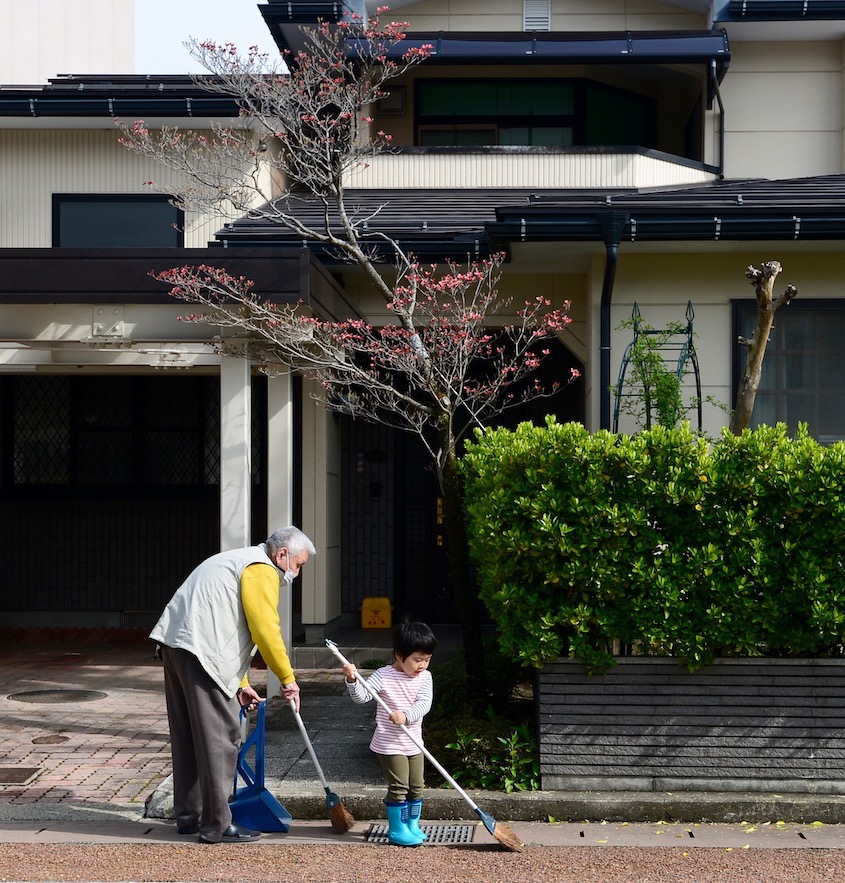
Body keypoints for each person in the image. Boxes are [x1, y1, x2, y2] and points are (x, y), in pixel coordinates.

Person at [150, 525, 316, 844]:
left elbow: (225, 620)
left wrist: (240, 683)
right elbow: (264, 628)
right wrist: (288, 678)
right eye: (298, 565)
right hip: (202, 654)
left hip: (177, 647)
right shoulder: (261, 569)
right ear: (282, 554)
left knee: (188, 735)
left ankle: (189, 816)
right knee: (221, 738)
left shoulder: (235, 560)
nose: (296, 573)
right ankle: (217, 824)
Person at [341, 619, 437, 847]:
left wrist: (406, 714)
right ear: (399, 654)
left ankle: (412, 825)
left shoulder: (425, 677)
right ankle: (397, 829)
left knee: (417, 785)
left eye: (427, 659)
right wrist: (352, 679)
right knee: (399, 787)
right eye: (417, 659)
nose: (422, 665)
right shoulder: (383, 676)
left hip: (414, 742)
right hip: (390, 744)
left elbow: (425, 704)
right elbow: (362, 697)